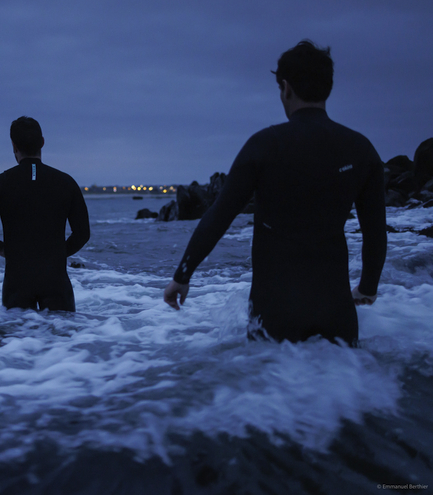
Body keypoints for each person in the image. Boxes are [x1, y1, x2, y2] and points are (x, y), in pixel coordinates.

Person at [163, 40, 387, 346]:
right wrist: (368, 288)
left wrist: (182, 276)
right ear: (327, 88)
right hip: (336, 310)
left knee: (273, 388)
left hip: (276, 311)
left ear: (285, 88)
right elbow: (375, 231)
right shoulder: (361, 149)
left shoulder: (265, 145)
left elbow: (219, 216)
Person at [0, 116, 91, 311]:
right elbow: (83, 234)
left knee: (19, 337)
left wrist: (0, 247)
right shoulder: (66, 182)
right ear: (42, 142)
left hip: (17, 281)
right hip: (56, 280)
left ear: (14, 146)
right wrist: (59, 252)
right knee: (62, 337)